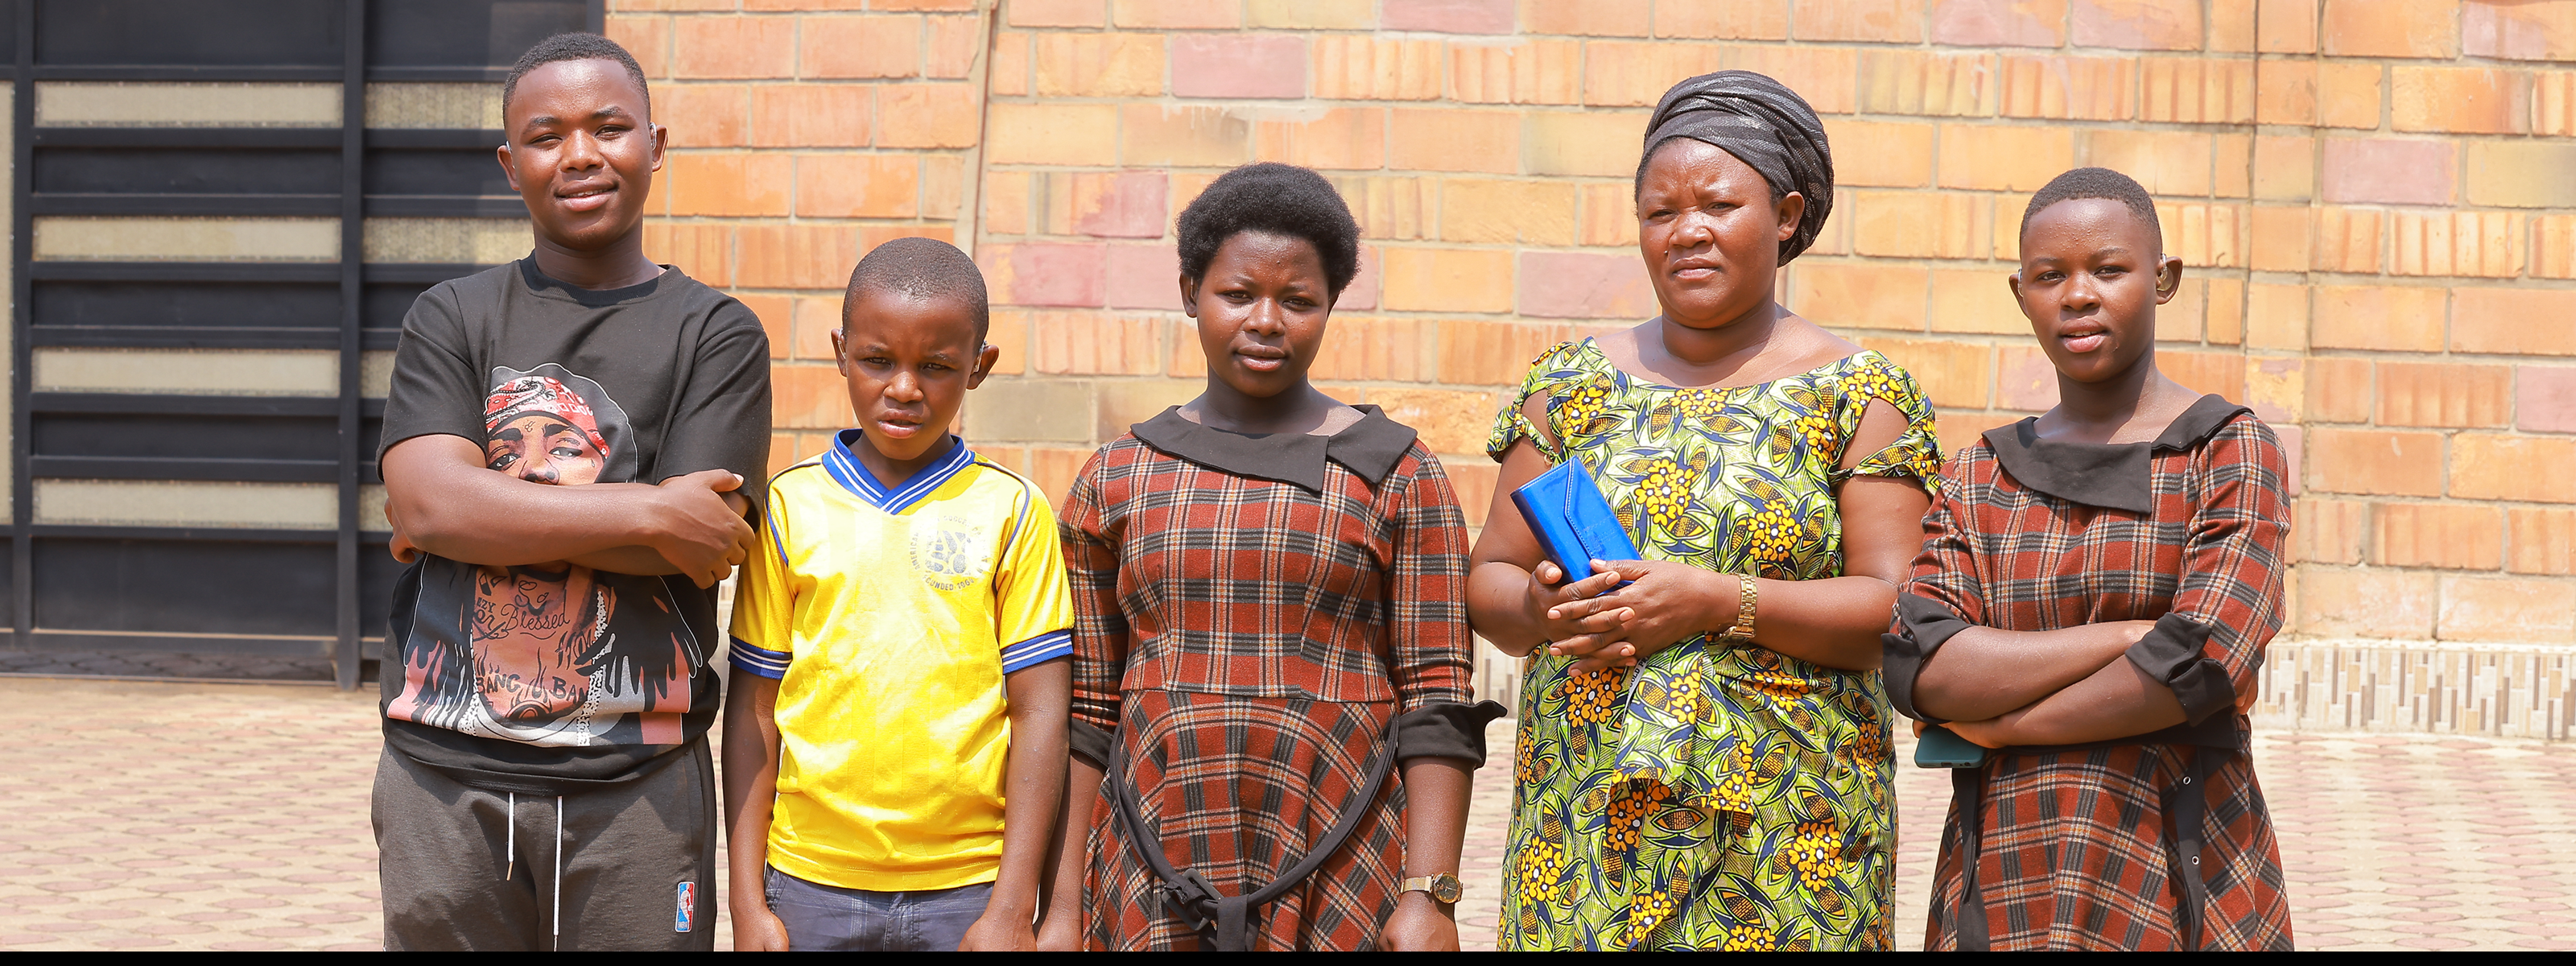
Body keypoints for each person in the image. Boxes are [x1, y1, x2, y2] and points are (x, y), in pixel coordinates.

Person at [1467, 71, 1942, 951]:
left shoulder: (1855, 395)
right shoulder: (1568, 390)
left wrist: (1720, 602)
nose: (1685, 231)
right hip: (1587, 836)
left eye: (1717, 205)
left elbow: (1900, 611)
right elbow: (1487, 578)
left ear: (1788, 216)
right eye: (1658, 212)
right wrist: (1542, 608)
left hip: (1789, 842)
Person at [371, 32, 770, 951]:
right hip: (443, 775)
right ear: (511, 165)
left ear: (656, 146)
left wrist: (485, 511)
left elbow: (705, 541)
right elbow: (427, 504)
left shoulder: (715, 334)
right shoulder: (453, 316)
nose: (581, 154)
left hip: (639, 786)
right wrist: (646, 507)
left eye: (609, 127)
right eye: (547, 136)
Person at [1041, 162, 1503, 952]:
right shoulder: (1116, 478)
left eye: (1297, 301)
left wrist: (1431, 897)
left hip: (1343, 856)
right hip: (1149, 863)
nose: (1265, 321)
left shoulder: (1393, 472)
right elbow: (1088, 714)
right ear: (1189, 292)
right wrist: (1056, 912)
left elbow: (1434, 701)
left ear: (1330, 306)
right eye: (1236, 295)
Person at [1883, 167, 2294, 951]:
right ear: (2019, 293)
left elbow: (2205, 662)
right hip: (2003, 858)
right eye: (2049, 276)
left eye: (2106, 269)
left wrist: (2003, 724)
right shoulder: (1983, 472)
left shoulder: (2225, 452)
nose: (2076, 294)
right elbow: (1919, 666)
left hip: (2175, 855)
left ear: (2162, 279)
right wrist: (2124, 637)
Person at [721, 237, 1073, 952]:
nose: (905, 388)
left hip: (967, 889)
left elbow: (1042, 713)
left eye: (937, 366)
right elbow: (754, 709)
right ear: (840, 351)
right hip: (808, 883)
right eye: (879, 360)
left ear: (980, 367)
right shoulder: (791, 507)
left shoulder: (1012, 511)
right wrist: (746, 900)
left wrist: (1012, 907)